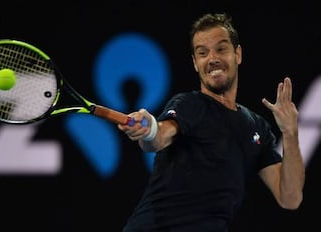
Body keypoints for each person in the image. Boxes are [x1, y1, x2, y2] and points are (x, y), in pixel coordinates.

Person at [117, 13, 305, 232]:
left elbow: (290, 198)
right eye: (202, 53)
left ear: (238, 54)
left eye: (221, 49)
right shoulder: (189, 104)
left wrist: (290, 133)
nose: (212, 58)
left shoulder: (257, 127)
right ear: (196, 64)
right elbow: (159, 137)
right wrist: (149, 128)